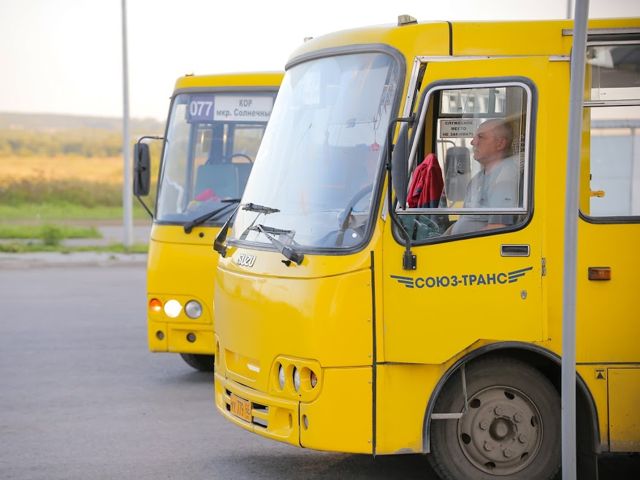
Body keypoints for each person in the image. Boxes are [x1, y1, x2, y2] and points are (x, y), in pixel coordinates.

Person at [450, 119, 520, 235]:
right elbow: (465, 219)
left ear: (500, 144)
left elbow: (498, 228)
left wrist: (457, 241)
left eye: (481, 137)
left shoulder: (505, 178)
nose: (473, 142)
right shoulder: (477, 179)